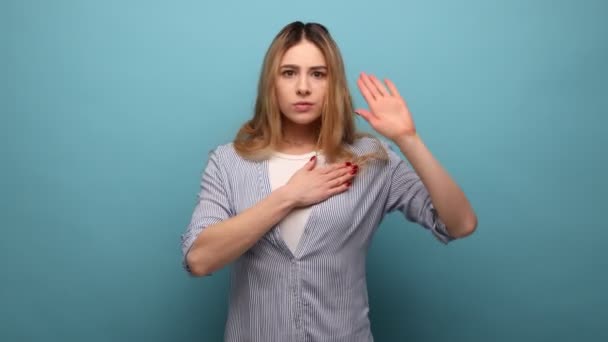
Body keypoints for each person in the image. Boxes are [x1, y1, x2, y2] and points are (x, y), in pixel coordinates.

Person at [180, 21, 477, 342]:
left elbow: (459, 224)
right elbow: (199, 259)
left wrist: (409, 140)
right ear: (271, 83)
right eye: (289, 73)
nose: (303, 87)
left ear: (333, 83)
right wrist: (289, 196)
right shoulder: (229, 162)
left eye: (318, 74)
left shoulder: (371, 159)